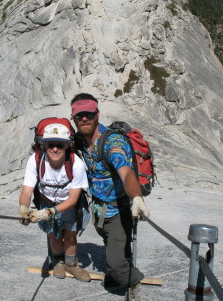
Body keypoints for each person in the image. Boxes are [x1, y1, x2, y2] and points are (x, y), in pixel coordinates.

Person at [70, 93, 150, 301]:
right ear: (74, 118)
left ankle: (132, 278)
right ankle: (117, 274)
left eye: (88, 114)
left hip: (119, 210)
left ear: (97, 114)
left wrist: (137, 198)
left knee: (116, 266)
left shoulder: (112, 141)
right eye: (80, 116)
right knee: (115, 248)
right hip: (99, 209)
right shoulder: (79, 140)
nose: (84, 119)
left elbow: (125, 171)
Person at [18, 122, 91, 282]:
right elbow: (26, 191)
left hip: (70, 205)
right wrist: (23, 208)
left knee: (71, 237)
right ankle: (58, 262)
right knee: (54, 237)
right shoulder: (35, 161)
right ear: (43, 145)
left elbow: (73, 199)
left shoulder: (76, 164)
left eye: (60, 144)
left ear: (67, 145)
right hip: (47, 202)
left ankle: (71, 264)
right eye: (50, 144)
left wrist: (49, 212)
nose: (55, 149)